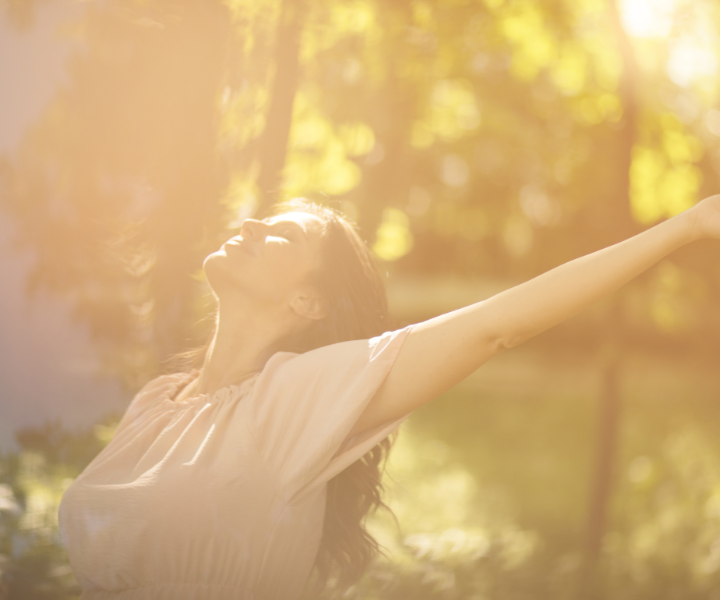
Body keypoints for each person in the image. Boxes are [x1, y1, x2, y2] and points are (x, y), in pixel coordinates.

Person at [58, 195, 720, 599]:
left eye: (284, 234)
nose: (254, 221)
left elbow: (496, 326)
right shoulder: (157, 402)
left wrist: (686, 227)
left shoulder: (298, 399)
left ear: (307, 301)